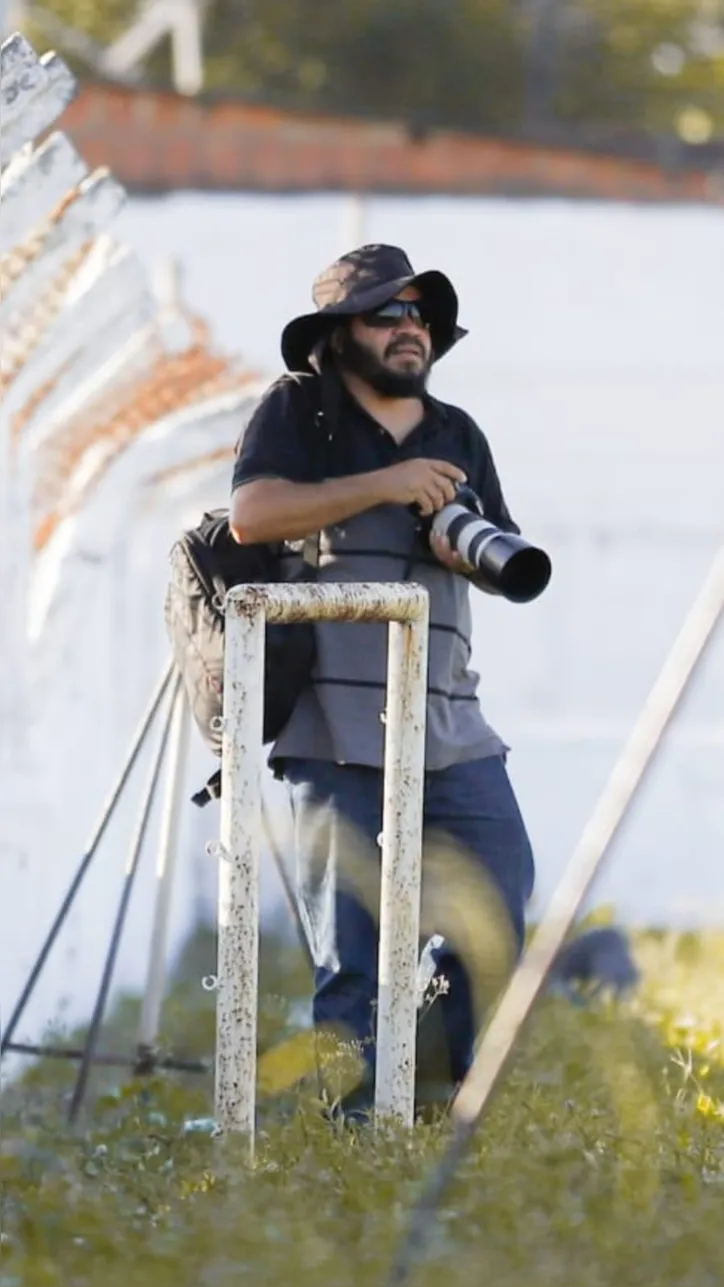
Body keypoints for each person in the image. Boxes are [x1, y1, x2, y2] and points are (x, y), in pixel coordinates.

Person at [229, 243, 536, 1118]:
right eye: (386, 313)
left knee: (496, 922)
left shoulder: (458, 431)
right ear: (339, 335)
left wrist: (457, 541)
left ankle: (424, 1096)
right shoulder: (299, 412)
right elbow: (252, 515)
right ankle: (356, 1140)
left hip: (450, 726)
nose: (411, 328)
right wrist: (387, 484)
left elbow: (502, 557)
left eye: (419, 314)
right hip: (335, 727)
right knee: (355, 958)